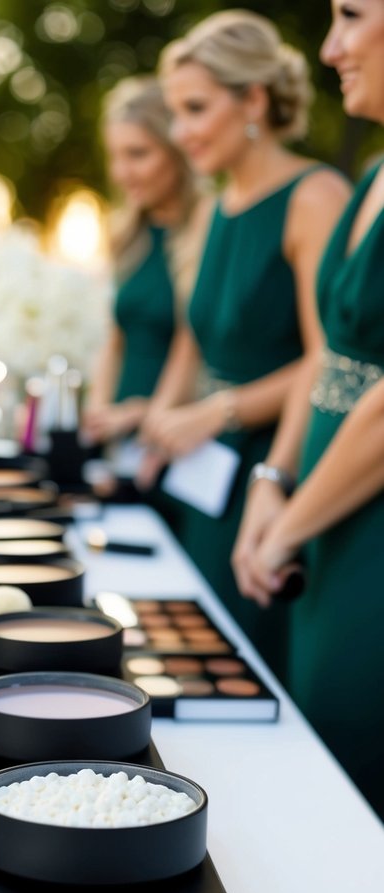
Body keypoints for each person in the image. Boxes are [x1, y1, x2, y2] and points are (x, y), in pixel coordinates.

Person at [141, 10, 350, 674]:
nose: (180, 134)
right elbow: (195, 339)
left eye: (195, 109)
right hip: (207, 474)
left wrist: (221, 418)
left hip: (276, 469)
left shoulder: (313, 196)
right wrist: (155, 420)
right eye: (173, 113)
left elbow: (329, 360)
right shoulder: (217, 206)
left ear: (252, 99)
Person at [234, 0, 384, 813]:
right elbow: (327, 355)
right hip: (320, 523)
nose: (329, 48)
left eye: (351, 15)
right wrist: (272, 479)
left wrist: (288, 524)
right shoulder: (370, 177)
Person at [80, 76, 205, 455]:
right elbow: (115, 341)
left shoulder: (207, 227)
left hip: (180, 441)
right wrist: (100, 410)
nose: (122, 172)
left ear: (177, 150)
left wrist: (143, 414)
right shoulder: (130, 235)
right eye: (115, 156)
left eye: (137, 154)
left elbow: (200, 351)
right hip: (122, 445)